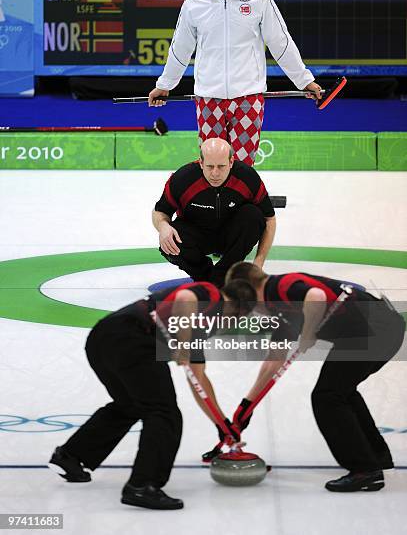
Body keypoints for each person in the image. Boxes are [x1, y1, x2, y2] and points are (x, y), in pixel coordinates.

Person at [48, 278, 254, 510]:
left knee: (130, 405)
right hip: (133, 338)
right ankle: (142, 486)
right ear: (239, 308)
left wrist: (222, 423)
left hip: (103, 338)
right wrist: (183, 344)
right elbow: (186, 299)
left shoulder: (205, 322)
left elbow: (198, 379)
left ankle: (72, 456)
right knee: (164, 413)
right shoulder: (213, 296)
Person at [225, 262, 405, 492]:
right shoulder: (278, 310)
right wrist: (246, 405)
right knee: (341, 393)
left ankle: (365, 470)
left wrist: (308, 331)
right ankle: (376, 458)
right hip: (374, 331)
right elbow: (273, 361)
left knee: (327, 396)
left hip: (374, 328)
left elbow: (316, 296)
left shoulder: (282, 286)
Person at [148, 0, 321, 166]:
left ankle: (244, 202)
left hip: (248, 97)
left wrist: (304, 80)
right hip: (209, 98)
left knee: (243, 166)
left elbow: (281, 43)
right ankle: (213, 203)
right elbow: (180, 50)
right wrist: (165, 85)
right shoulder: (194, 3)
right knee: (213, 166)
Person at [152, 138, 276, 287]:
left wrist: (258, 264)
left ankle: (221, 276)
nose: (215, 173)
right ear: (201, 162)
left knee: (254, 215)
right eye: (210, 166)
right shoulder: (182, 179)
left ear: (231, 162)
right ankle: (208, 278)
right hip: (198, 236)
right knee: (169, 239)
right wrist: (162, 226)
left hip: (232, 239)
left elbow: (270, 219)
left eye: (221, 166)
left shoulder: (248, 177)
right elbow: (160, 212)